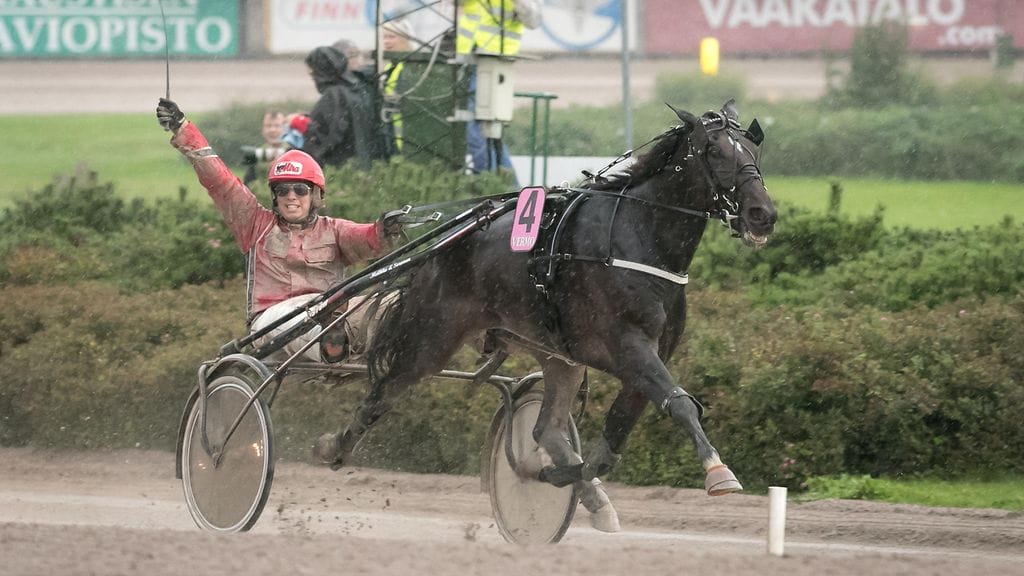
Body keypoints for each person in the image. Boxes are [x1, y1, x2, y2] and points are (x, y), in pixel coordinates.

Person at [156, 97, 402, 364]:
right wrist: (182, 128)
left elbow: (371, 239)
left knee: (397, 300)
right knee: (318, 312)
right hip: (272, 320)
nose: (290, 197)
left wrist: (387, 228)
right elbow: (220, 180)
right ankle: (332, 343)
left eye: (300, 189)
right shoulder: (255, 224)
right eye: (282, 190)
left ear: (316, 195)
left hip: (329, 309)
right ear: (274, 196)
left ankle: (400, 355)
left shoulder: (335, 230)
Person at [456, 0, 541, 179]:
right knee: (486, 132)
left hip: (493, 63)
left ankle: (491, 183)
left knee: (480, 129)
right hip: (466, 62)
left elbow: (533, 20)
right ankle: (503, 184)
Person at [303, 42, 388, 171]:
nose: (313, 78)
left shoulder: (334, 95)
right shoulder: (358, 89)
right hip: (365, 164)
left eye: (313, 74)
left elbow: (330, 136)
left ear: (320, 71)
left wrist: (305, 155)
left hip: (342, 168)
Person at [381, 18, 415, 154]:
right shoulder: (391, 66)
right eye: (384, 37)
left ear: (405, 39)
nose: (386, 41)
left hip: (408, 137)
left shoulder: (410, 68)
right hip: (393, 134)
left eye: (391, 37)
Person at [241, 109, 288, 185]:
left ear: (286, 128)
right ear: (263, 129)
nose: (272, 130)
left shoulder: (295, 151)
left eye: (277, 125)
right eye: (268, 126)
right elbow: (247, 184)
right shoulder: (256, 153)